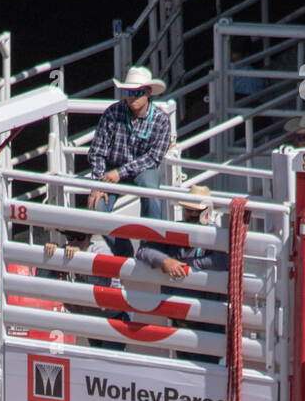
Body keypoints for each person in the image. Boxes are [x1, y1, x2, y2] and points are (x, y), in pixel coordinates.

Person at [87, 66, 172, 258]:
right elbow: (97, 152)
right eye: (129, 92)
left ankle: (151, 246)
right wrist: (97, 182)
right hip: (111, 170)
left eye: (138, 93)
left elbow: (153, 158)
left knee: (151, 191)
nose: (132, 97)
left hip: (139, 170)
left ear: (148, 93)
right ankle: (123, 250)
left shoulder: (161, 120)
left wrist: (120, 173)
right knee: (96, 206)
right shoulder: (112, 113)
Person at [136, 184, 228, 363]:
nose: (192, 215)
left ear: (207, 213)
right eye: (189, 211)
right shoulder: (175, 231)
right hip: (180, 319)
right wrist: (165, 261)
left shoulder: (217, 235)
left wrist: (187, 265)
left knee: (205, 371)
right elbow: (143, 250)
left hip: (207, 322)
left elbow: (221, 261)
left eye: (197, 212)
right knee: (185, 371)